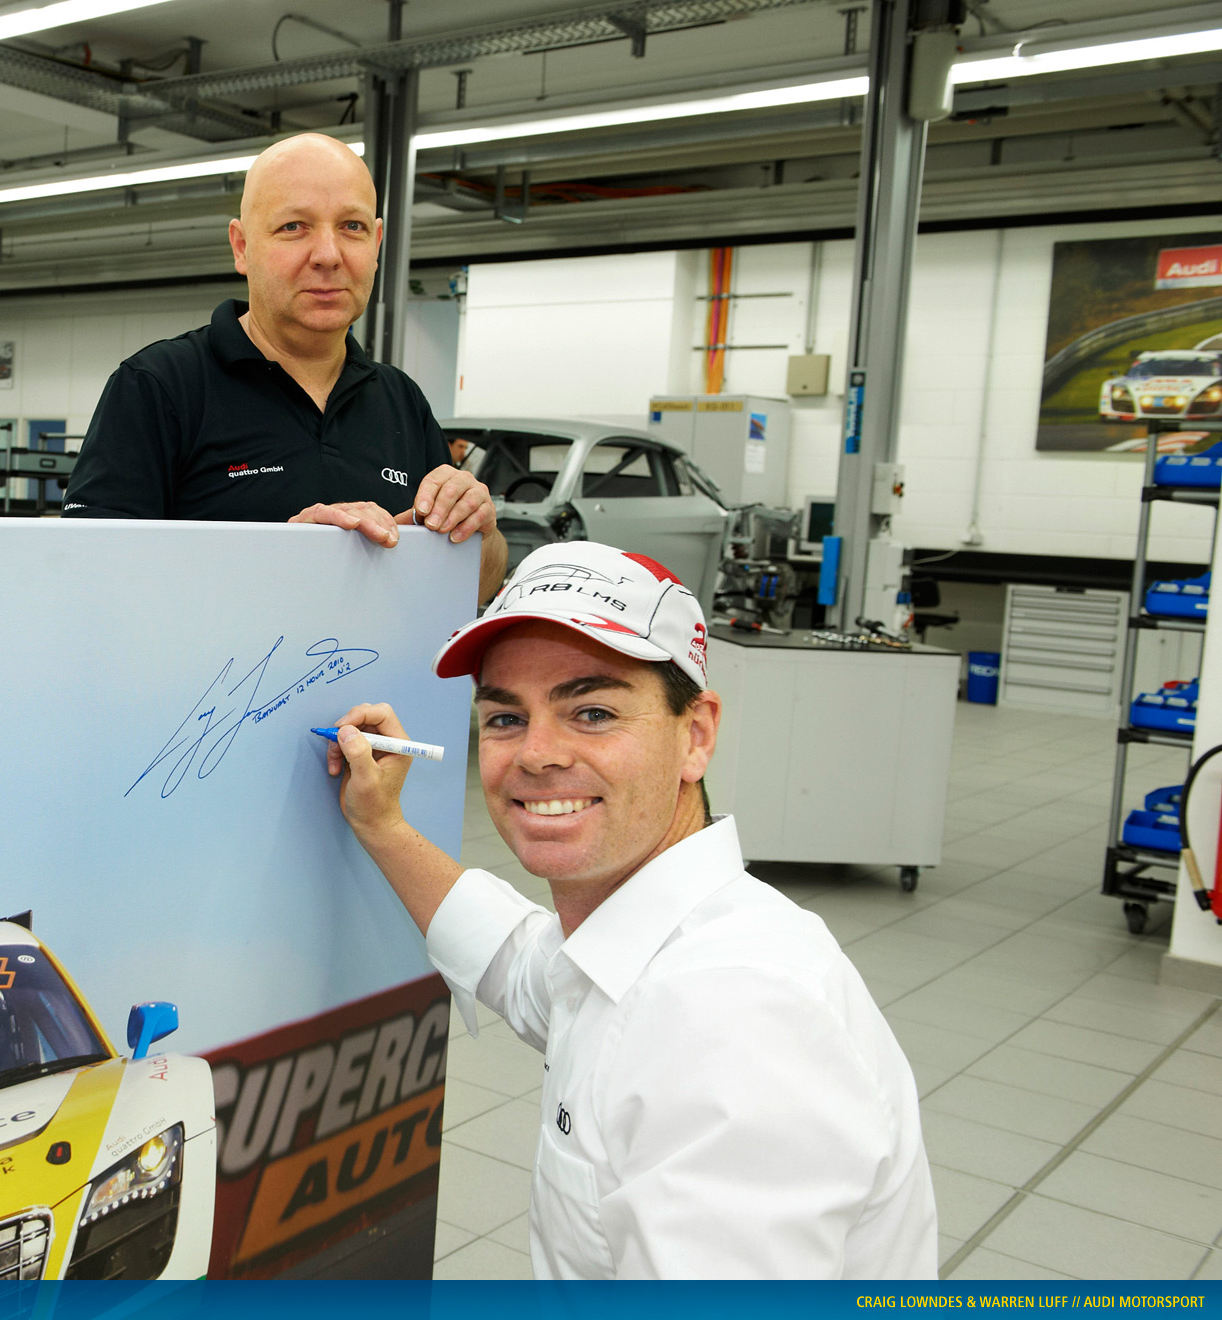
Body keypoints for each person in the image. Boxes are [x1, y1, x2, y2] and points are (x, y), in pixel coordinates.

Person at [322, 540, 937, 1279]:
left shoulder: (732, 1024)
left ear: (695, 735)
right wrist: (382, 826)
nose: (537, 754)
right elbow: (524, 966)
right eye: (506, 718)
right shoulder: (648, 943)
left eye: (592, 711)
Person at [62, 132, 508, 603]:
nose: (328, 255)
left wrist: (482, 531)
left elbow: (473, 588)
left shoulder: (401, 400)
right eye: (294, 227)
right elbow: (86, 579)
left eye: (352, 226)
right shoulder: (158, 387)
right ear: (242, 247)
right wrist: (288, 555)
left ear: (376, 244)